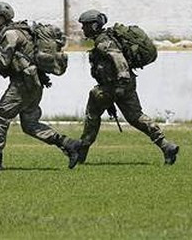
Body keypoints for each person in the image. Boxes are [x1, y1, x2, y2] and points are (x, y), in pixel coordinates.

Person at [0, 2, 82, 171]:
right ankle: (69, 144)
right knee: (30, 125)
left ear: (2, 18)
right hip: (34, 83)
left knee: (0, 118)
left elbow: (3, 62)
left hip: (22, 84)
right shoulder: (19, 31)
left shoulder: (11, 34)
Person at [76, 10, 179, 165]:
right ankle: (166, 145)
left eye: (85, 25)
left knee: (93, 110)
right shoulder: (105, 39)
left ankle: (81, 151)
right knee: (136, 117)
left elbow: (119, 59)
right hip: (123, 85)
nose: (83, 29)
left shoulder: (103, 42)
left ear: (95, 25)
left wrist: (121, 83)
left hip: (117, 86)